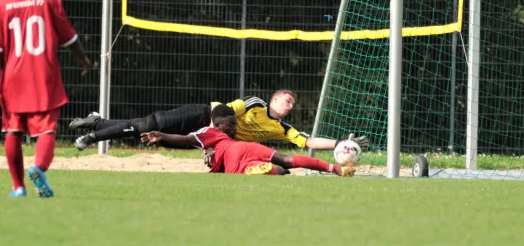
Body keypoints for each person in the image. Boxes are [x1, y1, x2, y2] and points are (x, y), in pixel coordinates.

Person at [0, 0, 91, 198]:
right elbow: (68, 36)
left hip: (11, 79)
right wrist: (82, 58)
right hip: (43, 77)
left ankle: (18, 187)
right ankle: (39, 168)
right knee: (46, 131)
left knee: (13, 131)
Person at [71, 90, 368, 153]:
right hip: (201, 116)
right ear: (275, 99)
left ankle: (97, 122)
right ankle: (91, 137)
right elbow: (225, 108)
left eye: (292, 104)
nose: (290, 107)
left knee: (144, 134)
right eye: (286, 101)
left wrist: (340, 143)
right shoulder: (256, 103)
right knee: (147, 124)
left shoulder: (282, 128)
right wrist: (215, 127)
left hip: (211, 139)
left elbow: (308, 140)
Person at [140, 104, 356, 177]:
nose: (234, 128)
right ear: (218, 124)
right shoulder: (212, 132)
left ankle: (261, 170)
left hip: (234, 158)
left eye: (235, 125)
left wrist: (162, 136)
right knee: (286, 161)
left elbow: (186, 139)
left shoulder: (212, 133)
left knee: (277, 170)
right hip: (246, 149)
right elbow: (186, 139)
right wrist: (163, 135)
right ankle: (335, 169)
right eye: (231, 126)